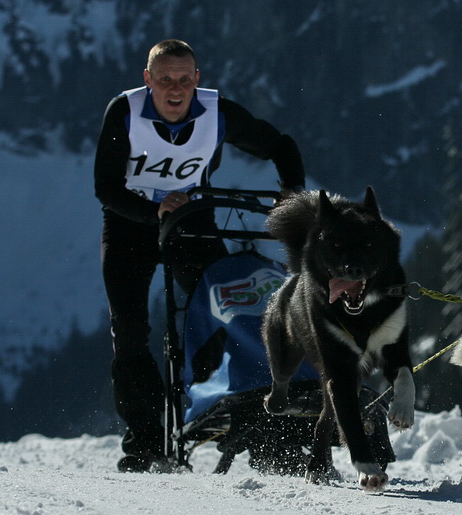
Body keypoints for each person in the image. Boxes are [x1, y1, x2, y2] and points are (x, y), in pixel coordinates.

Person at [94, 39, 305, 472]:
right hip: (130, 224)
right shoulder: (125, 112)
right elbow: (106, 187)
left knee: (229, 309)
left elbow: (280, 144)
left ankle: (240, 410)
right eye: (165, 80)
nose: (176, 90)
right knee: (130, 332)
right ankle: (147, 444)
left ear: (197, 80)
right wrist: (153, 210)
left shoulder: (217, 112)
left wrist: (292, 195)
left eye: (184, 80)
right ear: (147, 79)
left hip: (191, 221)